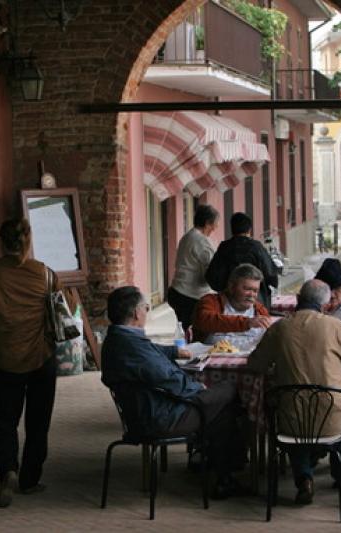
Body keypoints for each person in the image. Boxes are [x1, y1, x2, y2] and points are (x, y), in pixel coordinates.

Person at [248, 279, 341, 504]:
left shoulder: (279, 328)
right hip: (333, 420)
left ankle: (303, 479)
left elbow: (255, 364)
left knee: (296, 415)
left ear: (298, 300)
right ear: (325, 305)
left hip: (291, 421)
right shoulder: (336, 328)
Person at [100, 286, 241, 497]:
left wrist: (174, 351)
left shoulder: (118, 338)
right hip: (160, 417)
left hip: (142, 413)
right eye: (146, 308)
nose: (147, 313)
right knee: (229, 393)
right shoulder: (132, 345)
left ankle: (212, 466)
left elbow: (150, 350)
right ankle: (224, 474)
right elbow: (168, 378)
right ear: (137, 313)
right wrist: (198, 388)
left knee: (218, 407)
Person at [0, 218, 59, 508]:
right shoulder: (45, 274)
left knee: (5, 422)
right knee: (38, 422)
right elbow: (62, 310)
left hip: (5, 360)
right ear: (28, 240)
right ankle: (30, 479)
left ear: (1, 242)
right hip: (41, 358)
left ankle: (8, 470)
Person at [206, 212, 279, 310]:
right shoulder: (256, 247)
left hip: (229, 302)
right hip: (255, 301)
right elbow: (271, 274)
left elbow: (212, 277)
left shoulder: (224, 247)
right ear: (249, 230)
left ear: (232, 229)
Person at [167, 204, 220, 330]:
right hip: (190, 296)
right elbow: (212, 272)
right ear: (207, 223)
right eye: (215, 224)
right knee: (197, 333)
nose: (215, 228)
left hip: (177, 291)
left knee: (185, 331)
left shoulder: (187, 236)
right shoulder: (203, 242)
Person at [192, 263, 270, 343]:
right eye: (247, 289)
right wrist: (247, 322)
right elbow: (205, 320)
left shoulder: (260, 310)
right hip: (210, 354)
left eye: (255, 291)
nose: (251, 294)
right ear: (231, 286)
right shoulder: (211, 301)